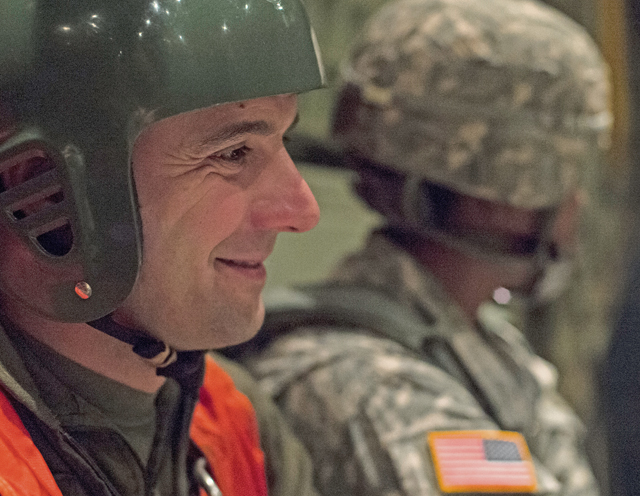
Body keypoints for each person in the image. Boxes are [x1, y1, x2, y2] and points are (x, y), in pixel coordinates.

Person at [235, 0, 612, 494]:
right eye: (563, 175)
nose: (576, 202)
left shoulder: (480, 344)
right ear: (496, 195)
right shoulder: (370, 387)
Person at [0, 0, 325, 495]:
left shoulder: (231, 417)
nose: (302, 211)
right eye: (233, 152)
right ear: (45, 190)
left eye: (285, 139)